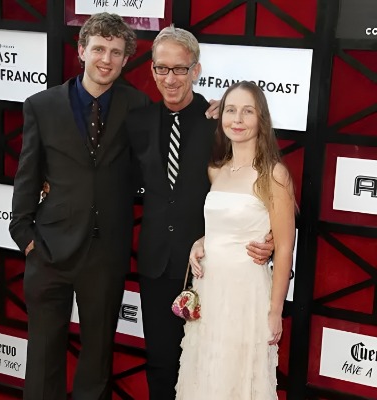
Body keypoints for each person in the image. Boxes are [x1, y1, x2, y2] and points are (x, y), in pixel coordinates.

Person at [126, 28, 274, 400]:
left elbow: (263, 183)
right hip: (157, 263)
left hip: (213, 266)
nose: (170, 78)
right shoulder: (138, 122)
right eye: (162, 69)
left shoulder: (220, 124)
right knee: (160, 362)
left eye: (180, 69)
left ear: (196, 70)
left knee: (211, 363)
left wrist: (269, 234)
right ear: (153, 71)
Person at [9, 13, 151, 400]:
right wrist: (24, 234)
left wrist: (214, 110)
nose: (106, 58)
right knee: (42, 360)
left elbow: (156, 167)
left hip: (105, 254)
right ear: (81, 50)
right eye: (100, 48)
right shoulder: (41, 105)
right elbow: (27, 174)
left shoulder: (139, 106)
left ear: (125, 60)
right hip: (48, 251)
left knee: (97, 361)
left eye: (116, 52)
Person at [175, 80, 296, 399]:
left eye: (247, 111)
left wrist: (274, 311)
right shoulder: (217, 170)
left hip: (248, 296)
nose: (237, 119)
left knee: (239, 381)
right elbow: (222, 224)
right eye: (230, 110)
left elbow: (284, 248)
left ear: (262, 119)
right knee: (207, 375)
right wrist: (200, 241)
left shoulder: (274, 174)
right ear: (221, 117)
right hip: (210, 291)